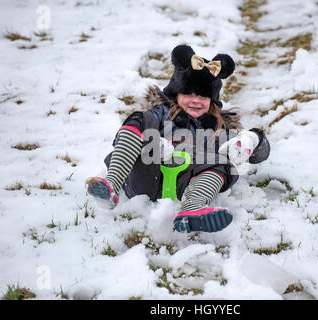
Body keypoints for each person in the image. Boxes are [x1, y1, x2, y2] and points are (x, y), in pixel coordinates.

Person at [86, 44, 270, 233]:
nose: (196, 100)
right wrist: (153, 143)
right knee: (139, 121)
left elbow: (259, 153)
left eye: (203, 96)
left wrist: (251, 140)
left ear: (212, 100)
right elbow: (129, 135)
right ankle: (112, 184)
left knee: (225, 162)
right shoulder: (161, 114)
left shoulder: (219, 127)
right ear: (176, 93)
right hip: (147, 178)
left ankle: (193, 208)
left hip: (188, 184)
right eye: (189, 93)